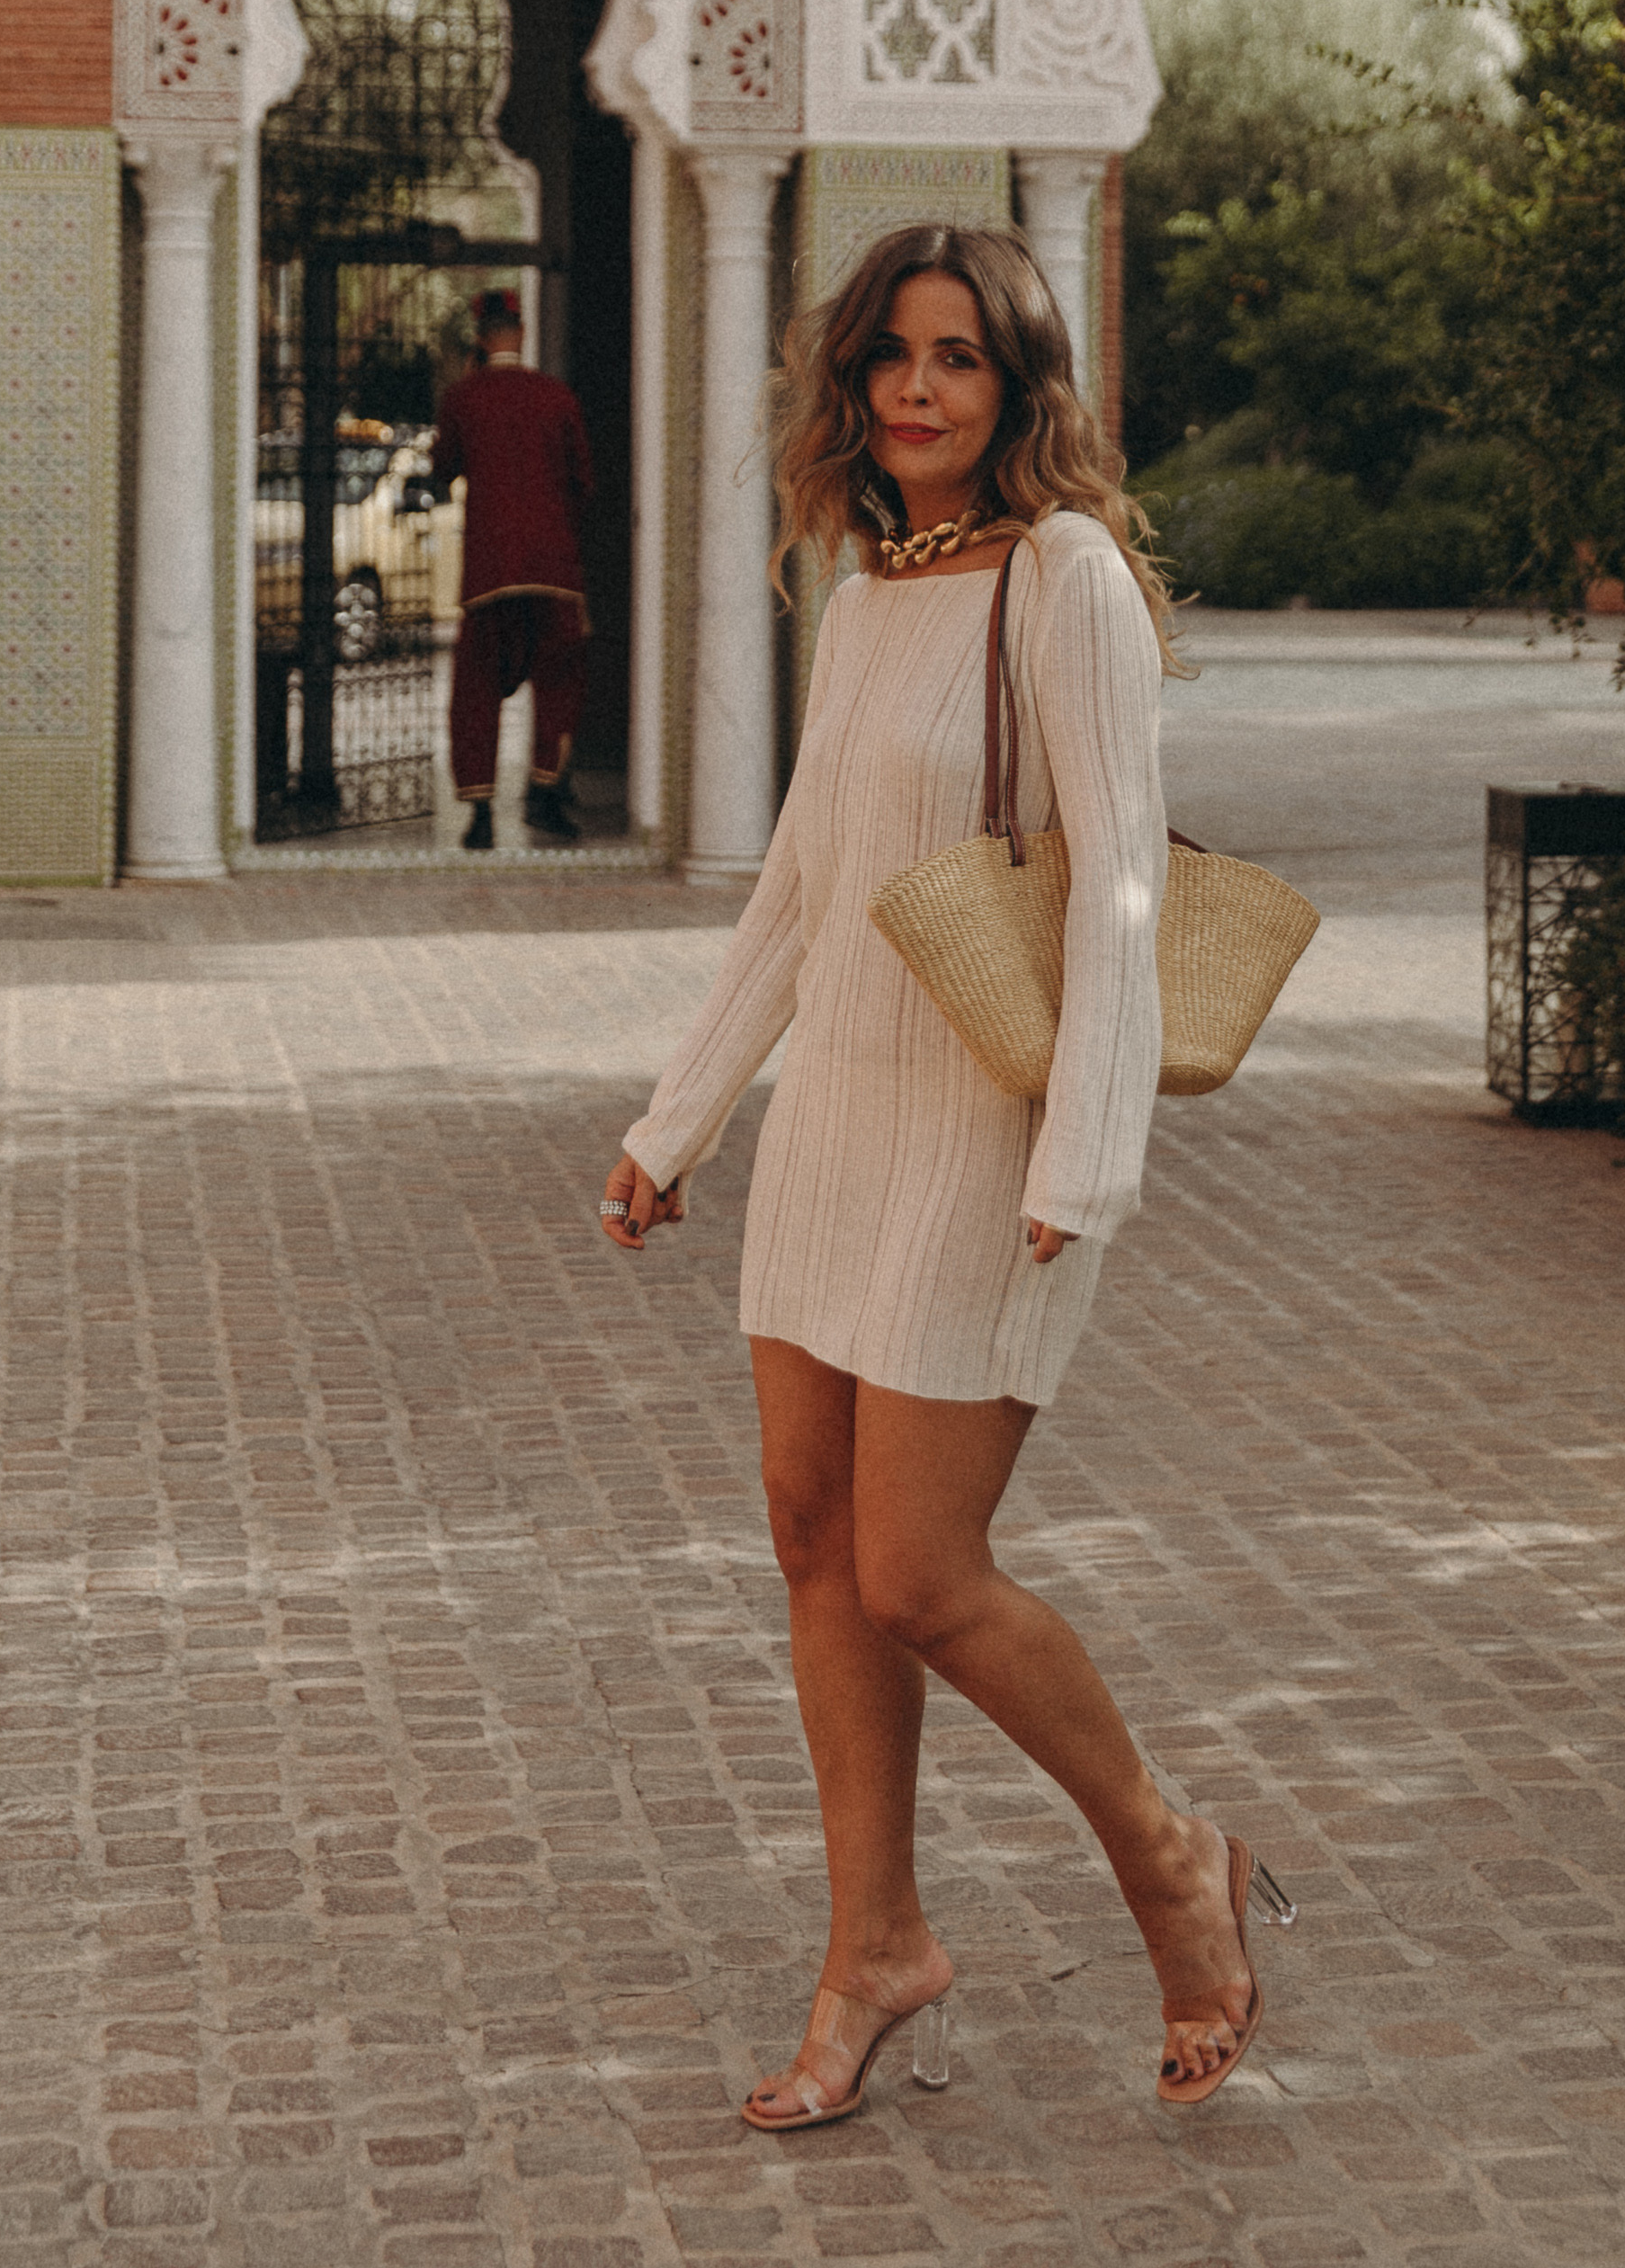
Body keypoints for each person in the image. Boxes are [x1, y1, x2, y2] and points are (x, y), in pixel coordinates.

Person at [599, 223, 1290, 2129]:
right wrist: (684, 1119)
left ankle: (1170, 1857)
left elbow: (1125, 878)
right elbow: (805, 893)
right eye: (892, 355)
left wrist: (1093, 1145)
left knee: (919, 1569)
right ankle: (876, 1946)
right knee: (815, 1544)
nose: (917, 389)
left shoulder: (1065, 579)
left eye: (959, 359)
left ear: (1020, 387)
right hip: (843, 1125)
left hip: (999, 1135)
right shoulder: (870, 596)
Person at [429, 287, 591, 846]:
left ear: (480, 337)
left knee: (475, 690)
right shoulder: (556, 396)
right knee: (558, 683)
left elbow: (442, 469)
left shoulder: (462, 398)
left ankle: (478, 815)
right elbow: (583, 483)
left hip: (489, 574)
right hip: (555, 569)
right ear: (521, 333)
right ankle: (544, 795)